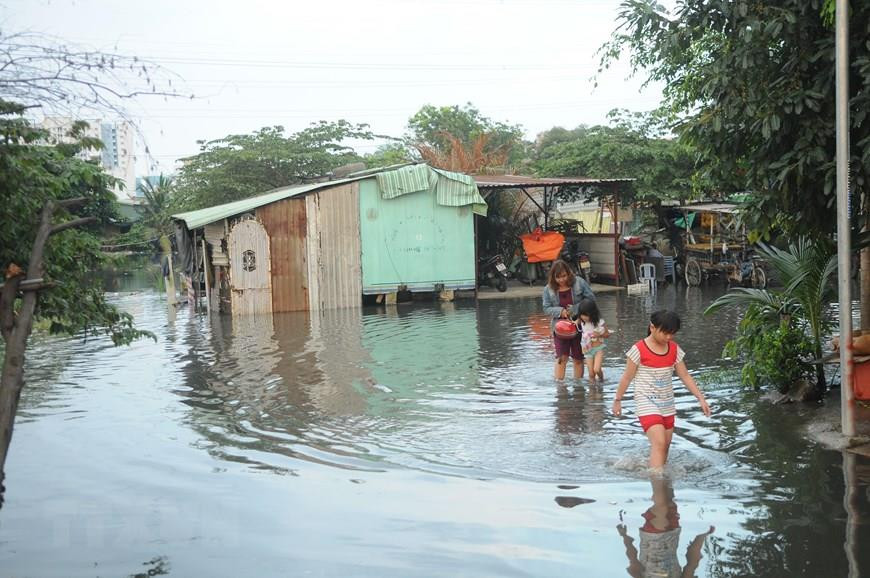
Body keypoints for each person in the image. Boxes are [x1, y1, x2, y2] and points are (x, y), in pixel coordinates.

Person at [611, 310, 711, 469]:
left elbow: (684, 375)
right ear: (652, 327)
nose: (669, 337)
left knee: (665, 446)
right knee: (659, 442)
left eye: (672, 334)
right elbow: (627, 377)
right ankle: (657, 480)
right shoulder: (638, 349)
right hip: (646, 402)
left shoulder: (674, 349)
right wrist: (617, 400)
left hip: (667, 404)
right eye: (665, 333)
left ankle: (660, 485)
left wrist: (700, 398)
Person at [617, 475, 715, 578]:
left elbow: (634, 563)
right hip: (672, 535)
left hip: (654, 538)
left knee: (661, 504)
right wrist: (702, 536)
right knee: (669, 498)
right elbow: (691, 563)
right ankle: (666, 467)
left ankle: (655, 470)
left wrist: (625, 537)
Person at [542, 260, 595, 380]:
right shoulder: (548, 289)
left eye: (564, 276)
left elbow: (591, 300)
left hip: (579, 325)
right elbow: (546, 308)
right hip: (560, 328)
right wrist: (560, 311)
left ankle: (578, 387)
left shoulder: (579, 283)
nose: (562, 280)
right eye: (558, 277)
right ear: (553, 277)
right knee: (562, 357)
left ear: (569, 274)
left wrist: (575, 309)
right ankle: (560, 387)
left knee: (578, 357)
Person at [577, 298, 611, 383]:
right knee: (591, 374)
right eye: (582, 315)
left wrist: (599, 334)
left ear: (593, 314)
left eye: (586, 315)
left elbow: (607, 334)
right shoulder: (581, 321)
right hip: (587, 350)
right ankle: (592, 393)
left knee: (596, 369)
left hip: (598, 348)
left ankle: (602, 381)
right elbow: (573, 324)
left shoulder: (599, 322)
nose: (584, 317)